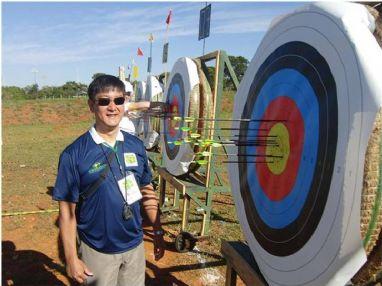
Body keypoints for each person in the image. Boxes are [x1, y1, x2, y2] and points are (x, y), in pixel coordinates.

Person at [53, 75, 165, 286]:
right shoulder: (74, 155)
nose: (112, 107)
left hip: (134, 246)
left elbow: (146, 187)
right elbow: (66, 213)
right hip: (98, 250)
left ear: (125, 103)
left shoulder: (136, 145)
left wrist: (157, 230)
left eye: (118, 101)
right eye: (104, 101)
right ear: (91, 105)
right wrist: (71, 259)